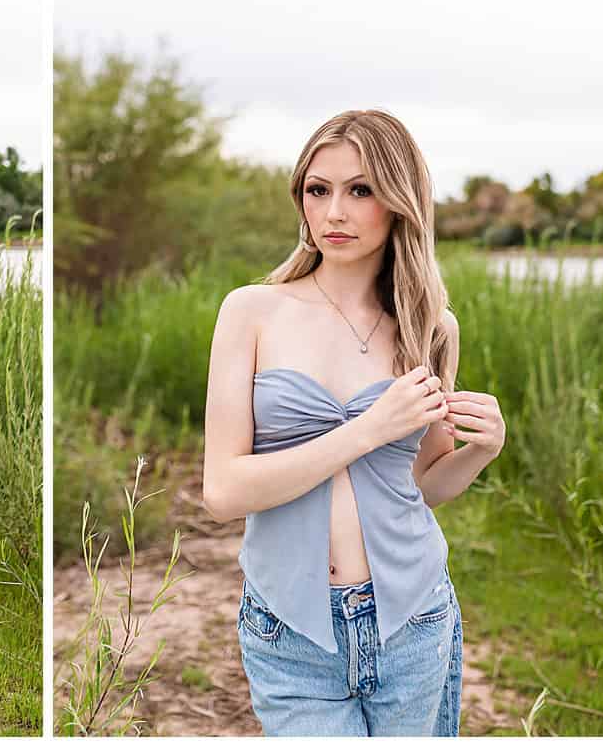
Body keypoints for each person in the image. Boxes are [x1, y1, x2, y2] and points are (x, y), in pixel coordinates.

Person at [201, 109, 508, 736]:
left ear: (400, 202)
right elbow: (223, 493)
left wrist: (481, 451)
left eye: (360, 190)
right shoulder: (252, 312)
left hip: (415, 620)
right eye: (319, 190)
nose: (334, 212)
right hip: (291, 629)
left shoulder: (431, 326)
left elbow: (422, 486)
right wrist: (365, 430)